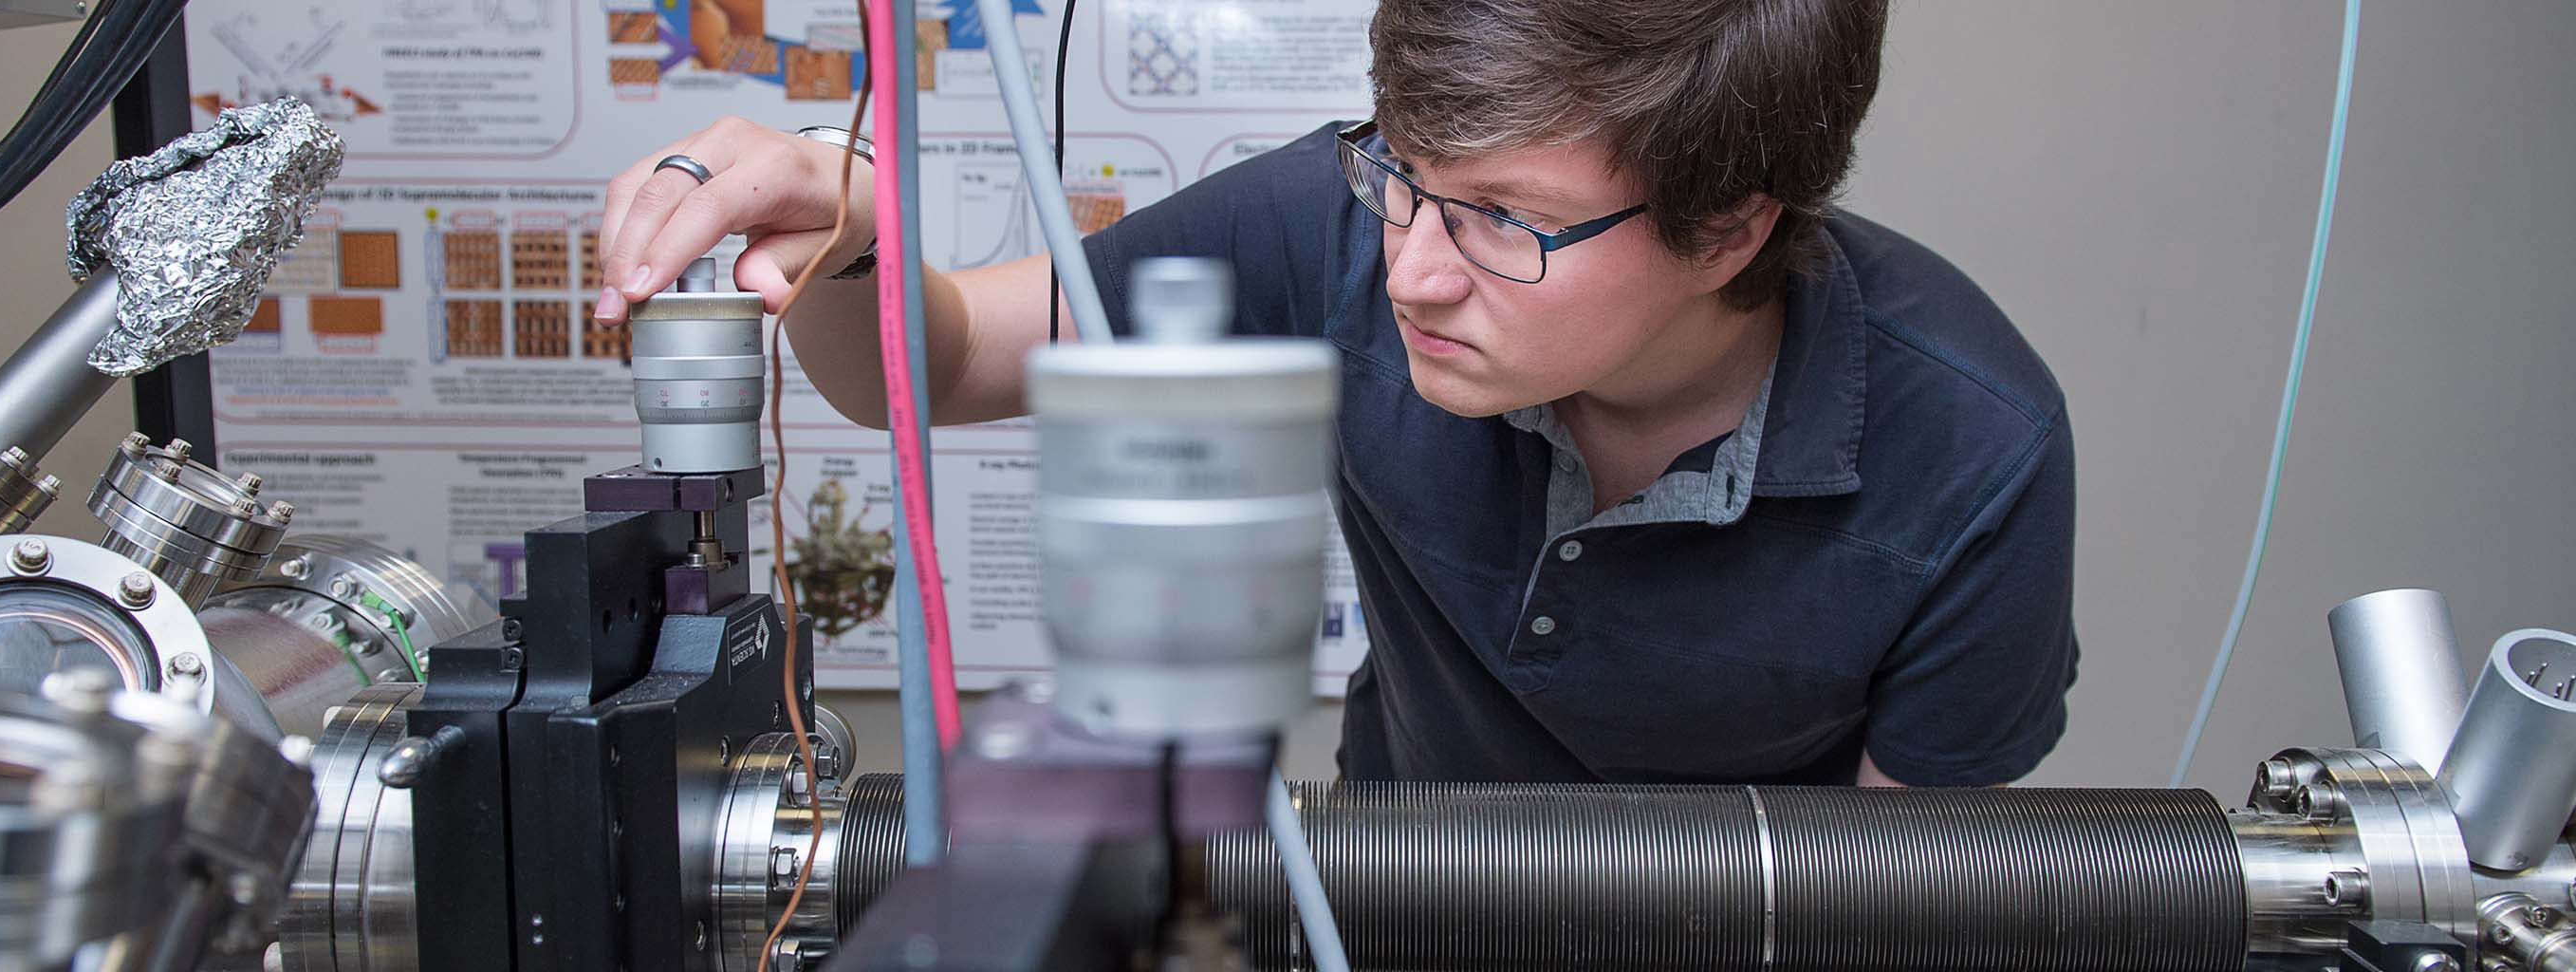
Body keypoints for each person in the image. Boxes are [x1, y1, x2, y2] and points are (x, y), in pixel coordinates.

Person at [592, 0, 2077, 787]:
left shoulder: (1976, 454)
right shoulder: (1340, 222)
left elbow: (1903, 885)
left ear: (1730, 227)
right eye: (1406, 178)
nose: (1416, 272)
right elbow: (954, 362)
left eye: (1507, 219)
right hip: (1403, 889)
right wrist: (854, 225)